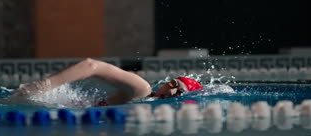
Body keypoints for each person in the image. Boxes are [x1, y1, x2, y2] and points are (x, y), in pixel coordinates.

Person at [12, 58, 203, 106]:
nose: (171, 92)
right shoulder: (141, 90)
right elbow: (90, 65)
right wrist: (42, 87)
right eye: (172, 85)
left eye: (178, 93)